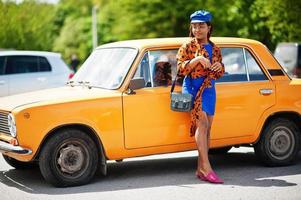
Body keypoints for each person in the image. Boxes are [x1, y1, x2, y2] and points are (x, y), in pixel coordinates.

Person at [176, 10, 225, 184]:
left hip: (209, 89)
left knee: (207, 128)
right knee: (202, 124)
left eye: (201, 26)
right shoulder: (187, 46)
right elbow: (180, 69)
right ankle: (207, 168)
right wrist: (196, 59)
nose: (197, 29)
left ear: (209, 27)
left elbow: (219, 72)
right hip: (192, 88)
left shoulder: (216, 48)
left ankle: (199, 169)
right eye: (194, 26)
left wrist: (219, 67)